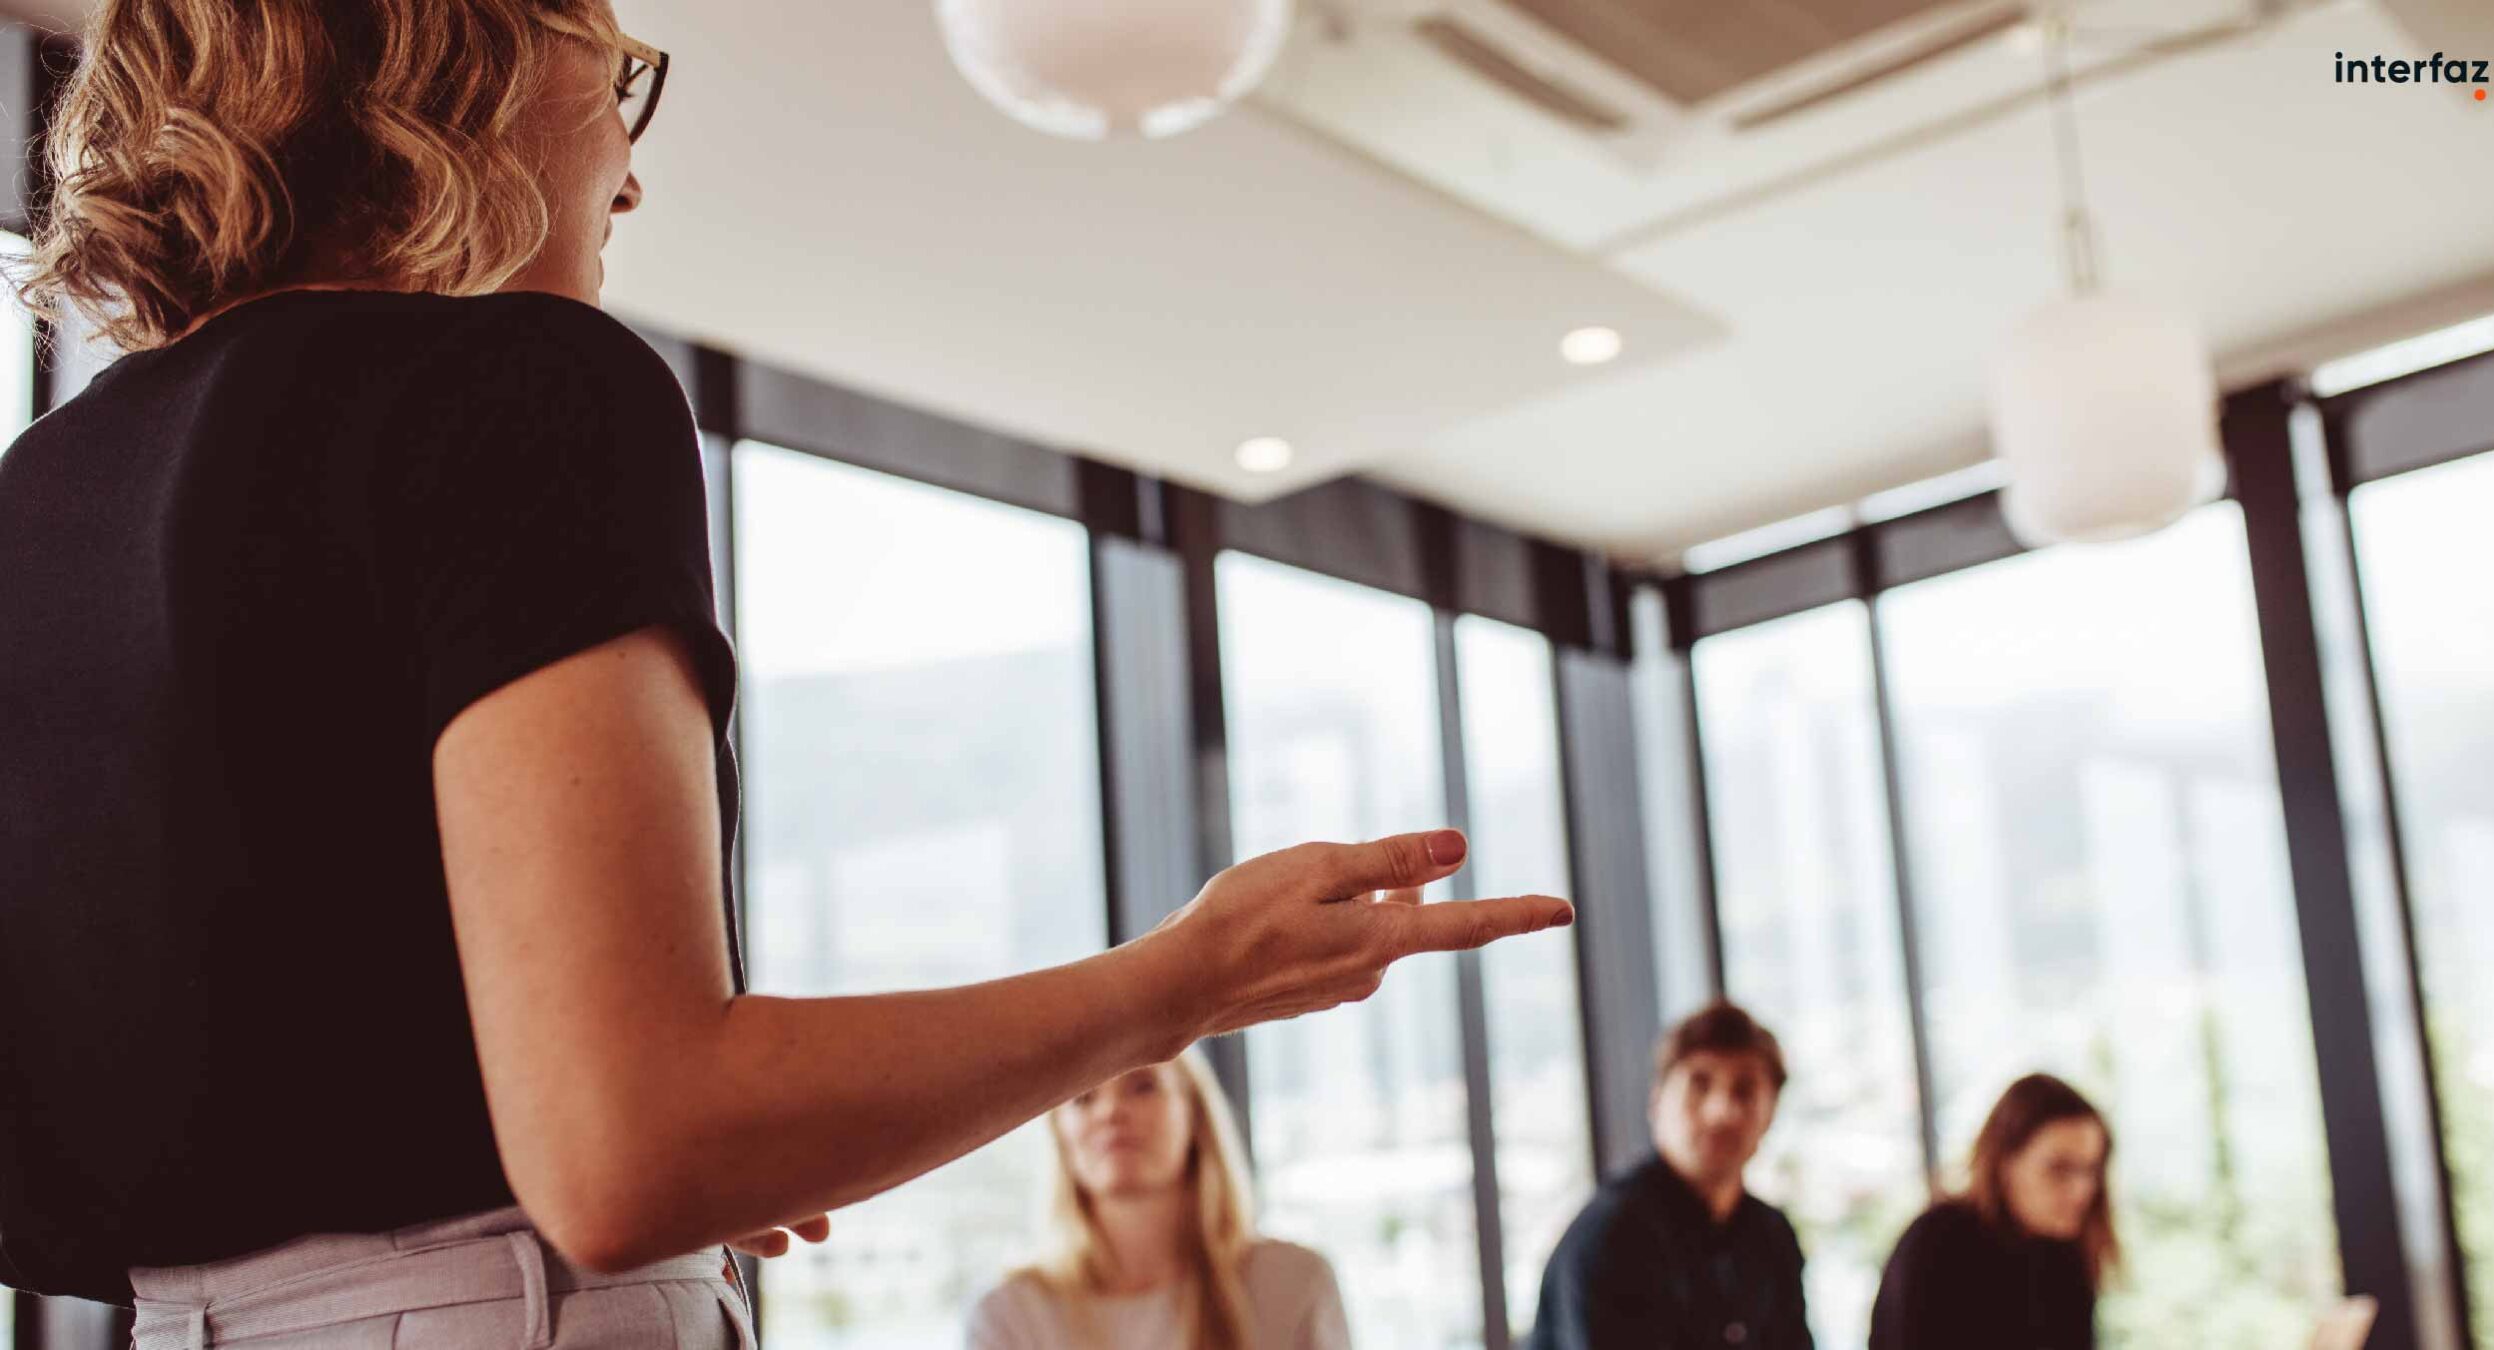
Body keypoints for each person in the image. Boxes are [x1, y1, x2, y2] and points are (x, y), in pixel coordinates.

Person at [0, 2, 1574, 1346]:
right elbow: (628, 1151)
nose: (630, 171)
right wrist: (1180, 982)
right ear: (461, 68)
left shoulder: (41, 492)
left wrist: (750, 1116)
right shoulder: (526, 387)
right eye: (613, 75)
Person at [966, 1051, 1350, 1350]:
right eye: (1083, 1098)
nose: (1110, 1111)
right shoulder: (1009, 1315)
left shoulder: (1296, 1281)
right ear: (1060, 1136)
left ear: (1195, 1116)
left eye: (1143, 1086)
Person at [1521, 1000, 1811, 1350]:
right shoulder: (1612, 1235)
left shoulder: (1771, 1236)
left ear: (1771, 1113)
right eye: (1700, 1085)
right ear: (1656, 1102)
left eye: (1744, 1090)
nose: (1720, 1111)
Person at [1869, 1073, 2118, 1350]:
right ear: (2005, 1163)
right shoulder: (1935, 1243)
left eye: (2091, 1169)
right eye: (2059, 1168)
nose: (2081, 1191)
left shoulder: (2065, 1254)